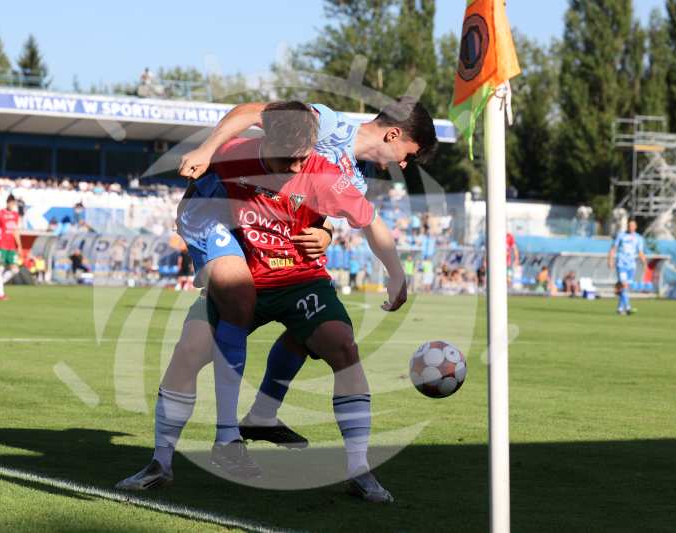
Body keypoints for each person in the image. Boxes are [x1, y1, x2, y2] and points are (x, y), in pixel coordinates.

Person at [117, 102, 407, 503]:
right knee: (189, 350)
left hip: (299, 278)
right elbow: (195, 200)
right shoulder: (232, 153)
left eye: (300, 159)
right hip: (245, 269)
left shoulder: (324, 172)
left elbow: (370, 221)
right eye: (284, 159)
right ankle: (160, 463)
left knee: (343, 344)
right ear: (264, 141)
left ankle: (359, 470)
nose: (292, 168)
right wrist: (205, 246)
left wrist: (394, 271)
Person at [179, 97, 438, 445]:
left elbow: (319, 205)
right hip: (222, 215)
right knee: (202, 344)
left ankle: (260, 416)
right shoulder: (330, 124)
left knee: (315, 327)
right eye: (408, 155)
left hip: (271, 243)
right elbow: (251, 113)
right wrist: (207, 150)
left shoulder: (357, 177)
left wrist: (326, 232)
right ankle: (202, 441)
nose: (405, 166)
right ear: (393, 134)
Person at [0, 195, 22, 301]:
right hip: (1, 245)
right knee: (0, 269)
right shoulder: (0, 214)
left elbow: (16, 231)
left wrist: (19, 245)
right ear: (7, 203)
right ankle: (1, 294)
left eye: (13, 203)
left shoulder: (15, 215)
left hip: (11, 246)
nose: (12, 205)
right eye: (10, 203)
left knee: (15, 269)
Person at [608, 219, 647, 315]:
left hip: (631, 265)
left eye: (633, 226)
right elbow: (613, 248)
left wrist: (644, 263)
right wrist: (610, 260)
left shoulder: (639, 238)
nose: (631, 227)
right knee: (624, 285)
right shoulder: (621, 236)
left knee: (625, 288)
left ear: (635, 227)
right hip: (621, 264)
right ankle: (628, 307)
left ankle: (620, 308)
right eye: (629, 225)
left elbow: (640, 252)